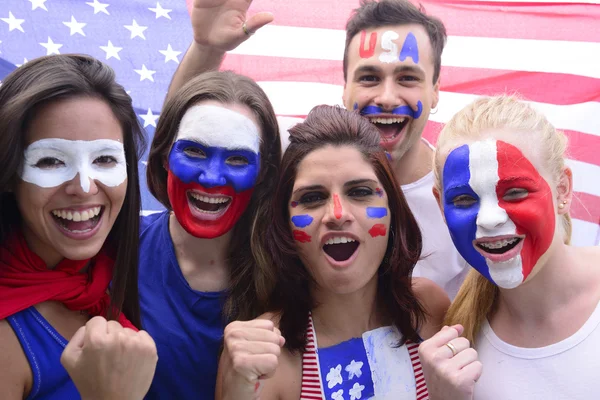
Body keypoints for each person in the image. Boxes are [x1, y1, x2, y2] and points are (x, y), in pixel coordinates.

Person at [168, 0, 469, 299]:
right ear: (345, 87)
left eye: (407, 78)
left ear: (435, 90)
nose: (387, 97)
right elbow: (191, 130)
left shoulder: (465, 196)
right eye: (369, 78)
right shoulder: (293, 153)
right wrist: (206, 49)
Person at [215, 105, 449, 400]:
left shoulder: (431, 309)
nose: (337, 215)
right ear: (284, 225)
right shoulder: (264, 357)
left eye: (360, 191)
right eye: (312, 198)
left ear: (393, 211)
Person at [418, 95, 600, 400]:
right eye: (464, 200)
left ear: (562, 190)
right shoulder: (456, 347)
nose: (489, 219)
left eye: (515, 192)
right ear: (440, 206)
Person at [0, 54, 157, 399]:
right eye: (51, 160)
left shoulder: (113, 270)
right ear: (10, 172)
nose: (84, 187)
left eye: (104, 159)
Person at [139, 70, 281, 399]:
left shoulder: (287, 272)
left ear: (262, 173)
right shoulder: (114, 249)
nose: (212, 177)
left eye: (237, 159)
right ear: (164, 157)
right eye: (194, 152)